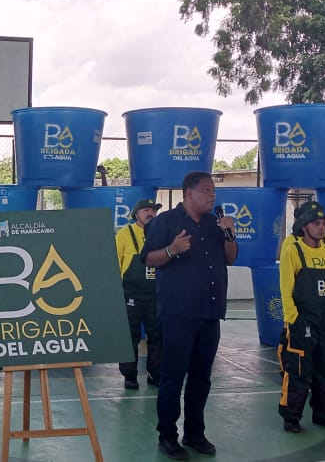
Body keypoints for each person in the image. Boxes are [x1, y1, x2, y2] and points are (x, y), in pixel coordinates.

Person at [140, 171, 237, 460]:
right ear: (189, 193)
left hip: (209, 313)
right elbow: (147, 258)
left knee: (201, 378)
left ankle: (195, 433)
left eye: (214, 191)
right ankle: (167, 436)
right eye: (207, 190)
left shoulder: (215, 224)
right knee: (172, 378)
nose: (212, 195)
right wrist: (172, 249)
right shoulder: (165, 222)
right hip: (178, 315)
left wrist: (230, 233)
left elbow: (231, 258)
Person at [277, 201, 325, 433]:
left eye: (324, 224)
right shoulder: (293, 250)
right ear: (303, 226)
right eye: (316, 224)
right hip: (304, 321)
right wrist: (293, 319)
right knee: (299, 369)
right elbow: (286, 289)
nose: (322, 228)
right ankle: (291, 417)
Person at [115, 198, 163, 390]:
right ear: (136, 214)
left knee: (158, 336)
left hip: (157, 295)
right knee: (130, 336)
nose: (151, 213)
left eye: (153, 210)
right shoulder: (125, 234)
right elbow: (115, 262)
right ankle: (129, 375)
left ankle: (155, 374)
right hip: (131, 295)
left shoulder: (161, 233)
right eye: (146, 210)